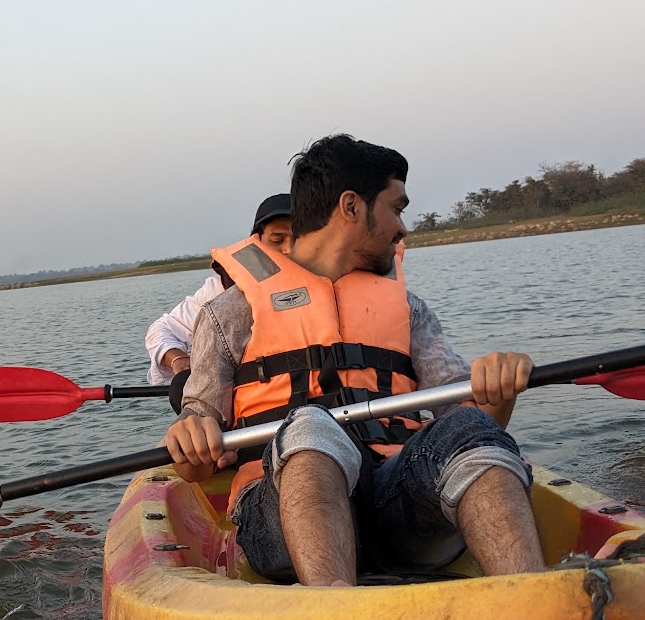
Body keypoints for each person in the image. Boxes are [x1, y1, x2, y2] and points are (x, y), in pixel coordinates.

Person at [162, 135, 543, 587]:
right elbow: (194, 467)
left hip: (397, 503)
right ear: (351, 207)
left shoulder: (409, 310)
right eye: (396, 208)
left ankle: (537, 603)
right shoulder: (229, 313)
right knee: (310, 426)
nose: (403, 229)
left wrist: (497, 390)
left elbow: (475, 420)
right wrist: (191, 431)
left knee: (467, 429)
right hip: (283, 511)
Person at [144, 193, 292, 386]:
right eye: (277, 240)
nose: (289, 249)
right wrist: (178, 360)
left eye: (298, 238)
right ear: (257, 243)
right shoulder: (223, 289)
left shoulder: (328, 282)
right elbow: (162, 329)